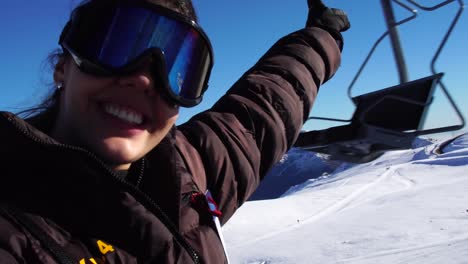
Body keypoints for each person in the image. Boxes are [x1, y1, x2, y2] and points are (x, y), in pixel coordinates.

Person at [0, 0, 350, 263]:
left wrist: (320, 37)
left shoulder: (185, 172)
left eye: (177, 68)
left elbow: (268, 102)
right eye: (116, 47)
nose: (143, 79)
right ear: (63, 67)